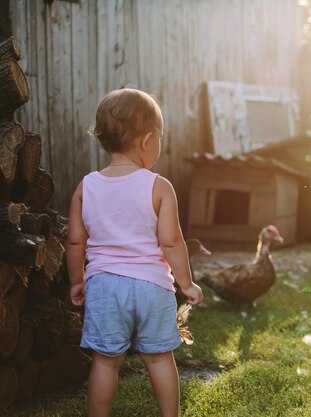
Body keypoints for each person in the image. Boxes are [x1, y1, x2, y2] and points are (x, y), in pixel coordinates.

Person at [66, 88, 204, 417]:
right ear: (146, 141)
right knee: (159, 358)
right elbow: (171, 242)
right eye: (159, 138)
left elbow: (75, 242)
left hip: (104, 285)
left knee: (105, 361)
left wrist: (76, 281)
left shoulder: (86, 186)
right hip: (152, 286)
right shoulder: (159, 186)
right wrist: (186, 284)